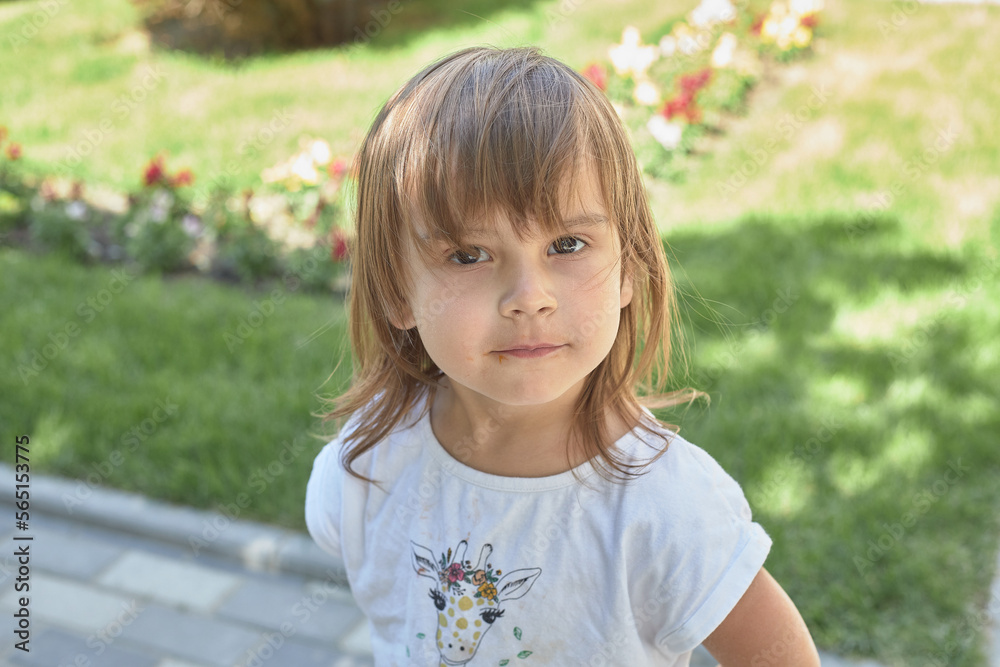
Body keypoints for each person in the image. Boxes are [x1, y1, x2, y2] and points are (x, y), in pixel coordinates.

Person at [305, 45, 819, 666]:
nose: (529, 299)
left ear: (628, 267)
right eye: (468, 255)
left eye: (567, 244)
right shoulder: (367, 468)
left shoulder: (665, 508)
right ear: (395, 290)